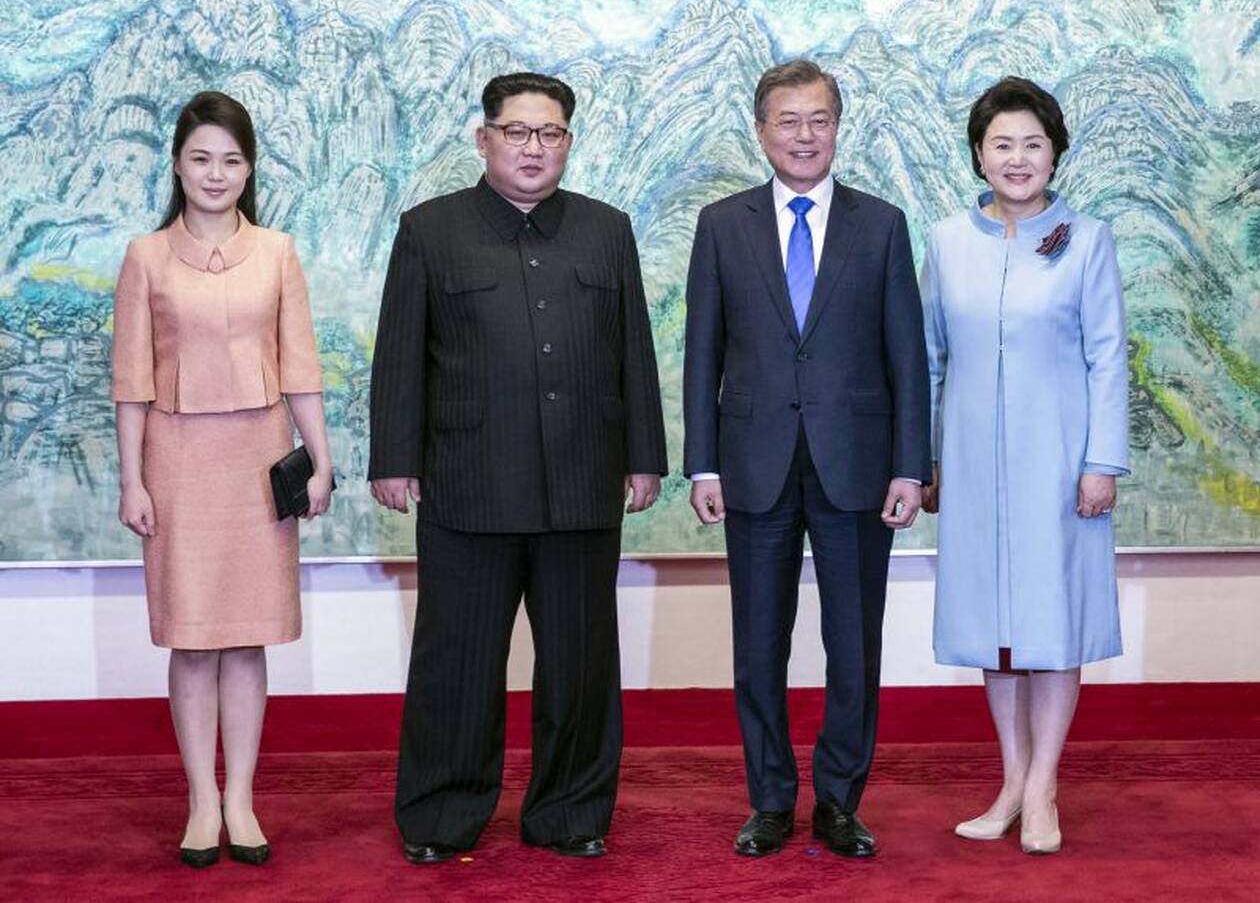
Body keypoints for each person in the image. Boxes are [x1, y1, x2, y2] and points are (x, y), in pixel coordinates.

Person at [368, 72, 668, 864]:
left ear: (567, 141)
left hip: (582, 482)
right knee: (456, 661)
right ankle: (441, 814)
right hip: (469, 483)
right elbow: (400, 352)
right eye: (517, 131)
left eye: (550, 133)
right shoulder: (430, 229)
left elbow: (633, 349)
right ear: (485, 138)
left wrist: (645, 456)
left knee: (580, 662)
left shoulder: (607, 230)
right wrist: (393, 457)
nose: (534, 148)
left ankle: (569, 811)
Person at [683, 59, 931, 859]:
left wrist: (910, 466)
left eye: (819, 119)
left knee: (853, 642)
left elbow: (906, 355)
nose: (804, 135)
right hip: (751, 463)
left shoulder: (881, 224)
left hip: (856, 463)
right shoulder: (722, 224)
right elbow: (702, 352)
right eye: (788, 120)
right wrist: (702, 464)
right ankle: (769, 798)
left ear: (837, 127)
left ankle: (838, 800)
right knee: (759, 643)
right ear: (761, 132)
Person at [111, 91, 333, 867]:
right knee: (193, 635)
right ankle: (200, 801)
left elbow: (301, 366)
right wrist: (132, 479)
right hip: (175, 461)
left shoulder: (277, 252)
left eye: (231, 160)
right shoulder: (145, 256)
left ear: (249, 169)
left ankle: (240, 797)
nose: (216, 173)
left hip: (258, 460)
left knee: (246, 636)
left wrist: (321, 458)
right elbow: (130, 381)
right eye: (201, 158)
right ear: (177, 165)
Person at [919, 76, 1129, 855]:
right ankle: (1011, 780)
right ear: (979, 154)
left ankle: (1044, 787)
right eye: (1001, 144)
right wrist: (925, 459)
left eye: (1032, 144)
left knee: (1052, 622)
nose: (1017, 158)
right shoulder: (947, 242)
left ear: (1055, 153)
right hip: (973, 465)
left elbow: (1109, 358)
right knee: (995, 630)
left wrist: (1101, 461)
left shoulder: (1089, 240)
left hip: (1060, 466)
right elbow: (929, 359)